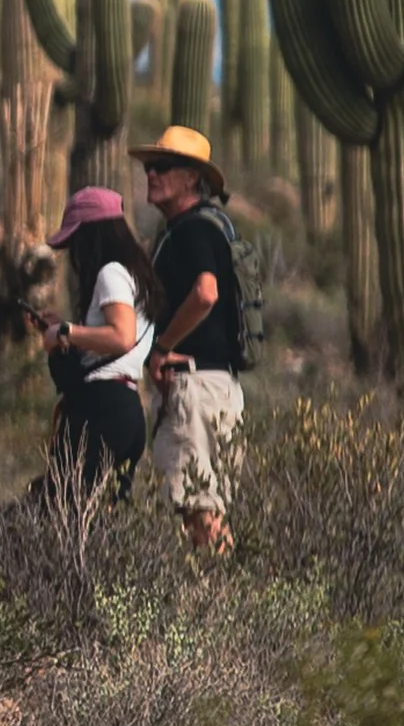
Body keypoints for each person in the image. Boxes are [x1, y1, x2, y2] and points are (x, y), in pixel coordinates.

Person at [136, 125, 245, 552]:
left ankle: (226, 605)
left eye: (163, 166)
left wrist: (162, 347)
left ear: (191, 178)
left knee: (199, 511)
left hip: (194, 391)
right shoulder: (212, 227)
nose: (151, 174)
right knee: (208, 511)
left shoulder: (191, 230)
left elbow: (206, 292)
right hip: (220, 388)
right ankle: (220, 603)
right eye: (149, 167)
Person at [31, 186, 162, 502]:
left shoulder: (111, 273)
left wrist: (66, 331)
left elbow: (121, 336)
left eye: (76, 241)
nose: (74, 254)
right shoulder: (136, 275)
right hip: (129, 412)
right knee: (106, 519)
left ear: (92, 237)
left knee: (66, 510)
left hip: (102, 408)